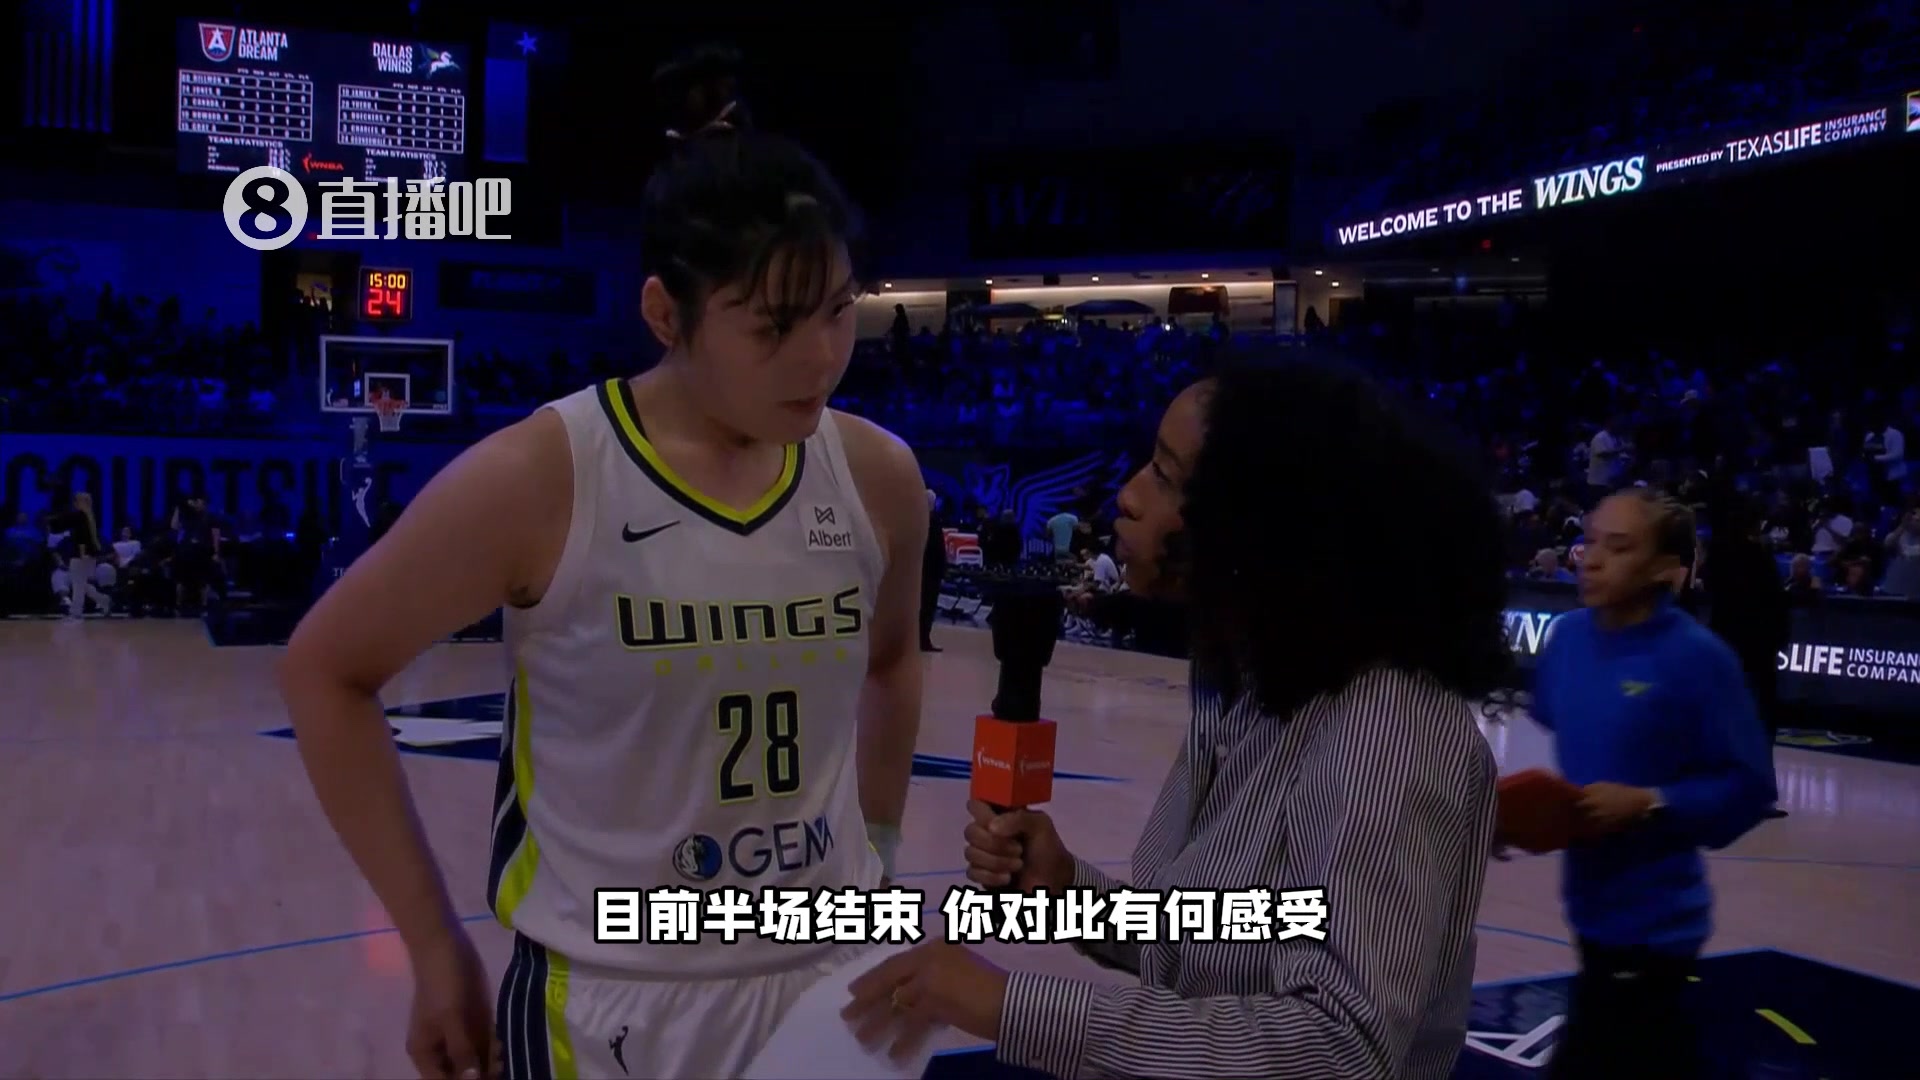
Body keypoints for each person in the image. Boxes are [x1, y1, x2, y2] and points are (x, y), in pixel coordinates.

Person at [278, 45, 928, 1080]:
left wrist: (880, 856)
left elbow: (893, 664)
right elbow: (325, 671)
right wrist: (433, 944)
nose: (821, 355)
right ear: (666, 315)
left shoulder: (878, 478)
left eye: (840, 310)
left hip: (832, 979)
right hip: (609, 996)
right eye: (774, 325)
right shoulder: (544, 476)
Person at [843, 356, 1514, 1079]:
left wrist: (1012, 1006)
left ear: (1265, 523)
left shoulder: (1388, 729)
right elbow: (1218, 940)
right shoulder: (1246, 684)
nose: (1127, 495)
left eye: (1164, 476)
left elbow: (1339, 1044)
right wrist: (1072, 892)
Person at [1529, 488, 1776, 1080]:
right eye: (1590, 541)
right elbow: (1580, 754)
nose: (1591, 559)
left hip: (1655, 930)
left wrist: (1652, 801)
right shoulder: (1565, 641)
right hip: (1588, 914)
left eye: (1618, 547)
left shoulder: (1699, 659)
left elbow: (1749, 789)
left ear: (1666, 568)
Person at [47, 491, 108, 619]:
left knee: (78, 584)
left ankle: (76, 612)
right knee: (80, 583)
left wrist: (82, 553)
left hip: (81, 554)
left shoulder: (80, 516)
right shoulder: (90, 516)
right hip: (89, 555)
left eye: (77, 501)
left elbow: (80, 535)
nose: (74, 503)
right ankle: (103, 600)